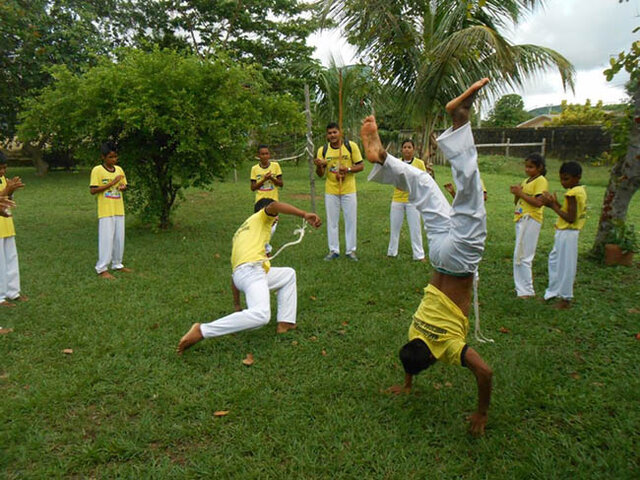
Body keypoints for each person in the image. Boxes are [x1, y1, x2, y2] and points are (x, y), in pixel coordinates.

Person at [362, 79, 493, 437]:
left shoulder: (447, 348)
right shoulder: (413, 330)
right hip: (437, 254)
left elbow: (485, 372)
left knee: (469, 195)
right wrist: (406, 381)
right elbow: (409, 355)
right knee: (424, 186)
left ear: (432, 358)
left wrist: (481, 413)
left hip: (458, 260)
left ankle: (460, 118)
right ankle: (386, 160)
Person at [177, 198, 321, 354]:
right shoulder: (262, 217)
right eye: (276, 216)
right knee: (261, 315)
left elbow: (235, 274)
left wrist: (237, 305)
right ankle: (203, 330)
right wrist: (304, 214)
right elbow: (275, 206)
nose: (277, 218)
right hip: (252, 271)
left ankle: (285, 322)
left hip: (244, 275)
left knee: (288, 274)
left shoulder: (243, 232)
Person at [314, 122, 364, 261]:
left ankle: (351, 251)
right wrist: (319, 166)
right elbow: (320, 174)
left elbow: (361, 166)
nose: (332, 135)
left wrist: (347, 170)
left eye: (335, 132)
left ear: (340, 132)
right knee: (332, 221)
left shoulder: (350, 146)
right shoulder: (322, 150)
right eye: (329, 133)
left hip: (349, 189)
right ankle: (333, 250)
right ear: (327, 135)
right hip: (331, 190)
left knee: (350, 220)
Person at [541, 161, 587, 309]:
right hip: (564, 231)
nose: (562, 182)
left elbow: (570, 218)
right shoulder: (579, 190)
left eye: (566, 179)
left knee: (566, 265)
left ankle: (565, 298)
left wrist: (552, 205)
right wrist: (556, 204)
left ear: (577, 177)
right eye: (561, 178)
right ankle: (553, 292)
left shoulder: (572, 193)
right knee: (555, 261)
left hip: (568, 232)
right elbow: (568, 212)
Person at [90, 142, 131, 279]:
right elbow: (93, 190)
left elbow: (125, 185)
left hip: (119, 209)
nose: (114, 160)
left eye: (115, 157)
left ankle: (117, 263)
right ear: (103, 157)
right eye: (110, 157)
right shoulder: (97, 170)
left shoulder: (119, 170)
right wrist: (111, 184)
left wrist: (123, 187)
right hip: (106, 210)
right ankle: (102, 268)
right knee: (106, 239)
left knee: (119, 238)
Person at [510, 153, 548, 299]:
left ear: (540, 168)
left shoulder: (541, 181)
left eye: (531, 167)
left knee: (524, 255)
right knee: (518, 254)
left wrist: (521, 193)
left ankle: (526, 290)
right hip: (521, 217)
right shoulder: (527, 181)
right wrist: (517, 193)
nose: (527, 170)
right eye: (526, 166)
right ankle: (521, 288)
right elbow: (518, 201)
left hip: (530, 218)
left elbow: (539, 203)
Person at [387, 139, 427, 261]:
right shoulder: (397, 163)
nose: (407, 149)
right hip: (397, 199)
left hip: (413, 200)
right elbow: (393, 179)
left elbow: (423, 180)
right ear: (401, 149)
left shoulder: (419, 163)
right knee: (394, 228)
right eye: (404, 147)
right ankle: (392, 253)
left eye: (409, 147)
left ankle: (419, 255)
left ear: (413, 149)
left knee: (415, 229)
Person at [0, 152, 26, 307]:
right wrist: (7, 190)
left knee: (11, 259)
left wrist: (11, 190)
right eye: (0, 168)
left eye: (4, 168)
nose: (3, 171)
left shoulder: (3, 179)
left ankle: (13, 292)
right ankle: (0, 297)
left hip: (7, 224)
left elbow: (6, 201)